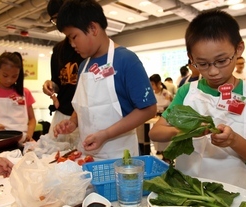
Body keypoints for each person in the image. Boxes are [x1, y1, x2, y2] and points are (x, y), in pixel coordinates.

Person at [149, 10, 246, 192]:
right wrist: (186, 130)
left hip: (233, 189)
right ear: (191, 59)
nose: (213, 72)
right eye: (202, 64)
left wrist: (234, 140)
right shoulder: (187, 91)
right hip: (188, 186)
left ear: (239, 49)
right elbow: (155, 133)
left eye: (221, 61)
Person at [53, 0, 157, 160]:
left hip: (119, 157)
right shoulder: (83, 66)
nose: (72, 44)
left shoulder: (126, 60)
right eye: (69, 39)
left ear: (93, 28)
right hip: (88, 155)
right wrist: (73, 122)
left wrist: (106, 134)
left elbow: (149, 109)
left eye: (74, 37)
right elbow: (82, 106)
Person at [42, 0, 84, 146]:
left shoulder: (88, 45)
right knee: (55, 155)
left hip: (84, 114)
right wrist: (50, 86)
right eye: (55, 19)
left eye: (61, 16)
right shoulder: (59, 49)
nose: (59, 23)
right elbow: (58, 83)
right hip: (63, 113)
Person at [150, 74, 172, 158]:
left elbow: (167, 104)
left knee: (164, 138)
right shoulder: (151, 93)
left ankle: (166, 155)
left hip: (164, 116)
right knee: (155, 137)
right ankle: (158, 151)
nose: (152, 86)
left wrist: (157, 107)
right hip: (154, 115)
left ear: (158, 83)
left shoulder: (165, 93)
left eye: (153, 84)